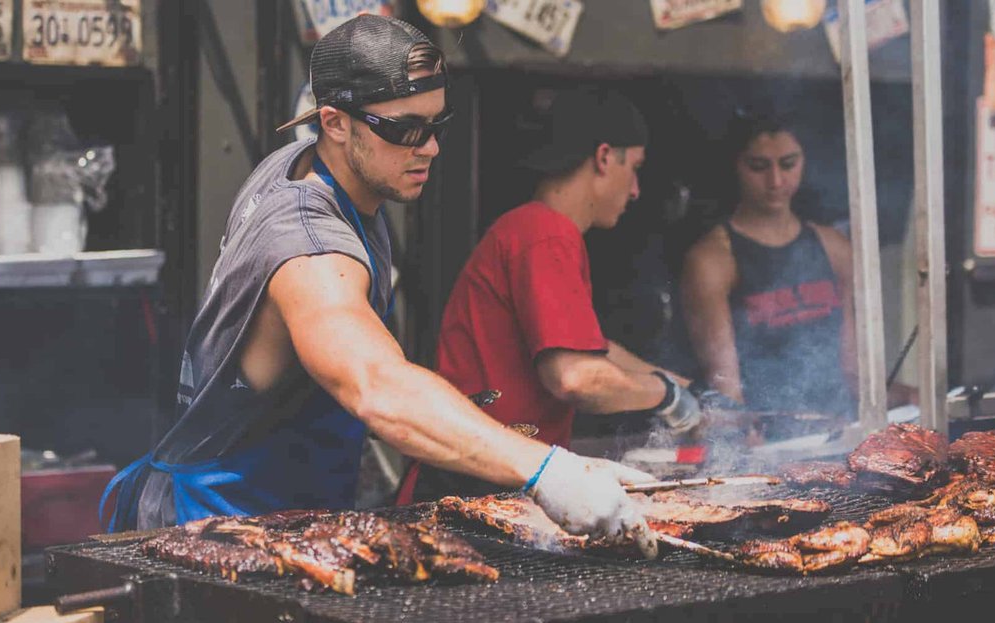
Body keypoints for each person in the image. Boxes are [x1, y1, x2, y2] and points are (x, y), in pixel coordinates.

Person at [101, 15, 659, 556]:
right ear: (335, 122)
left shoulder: (311, 163)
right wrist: (547, 469)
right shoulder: (309, 244)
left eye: (436, 125)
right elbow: (377, 385)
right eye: (405, 129)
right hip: (219, 527)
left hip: (288, 517)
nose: (430, 148)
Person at [400, 88, 706, 503]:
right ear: (603, 157)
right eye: (634, 168)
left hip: (488, 476)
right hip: (475, 486)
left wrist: (693, 388)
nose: (635, 190)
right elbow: (576, 377)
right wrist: (668, 397)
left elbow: (595, 350)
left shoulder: (535, 230)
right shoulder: (546, 234)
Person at [681, 111, 860, 424]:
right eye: (758, 167)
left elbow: (853, 367)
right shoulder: (712, 259)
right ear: (736, 165)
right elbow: (725, 387)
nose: (776, 181)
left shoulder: (835, 248)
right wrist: (744, 437)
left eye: (788, 164)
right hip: (766, 440)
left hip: (840, 427)